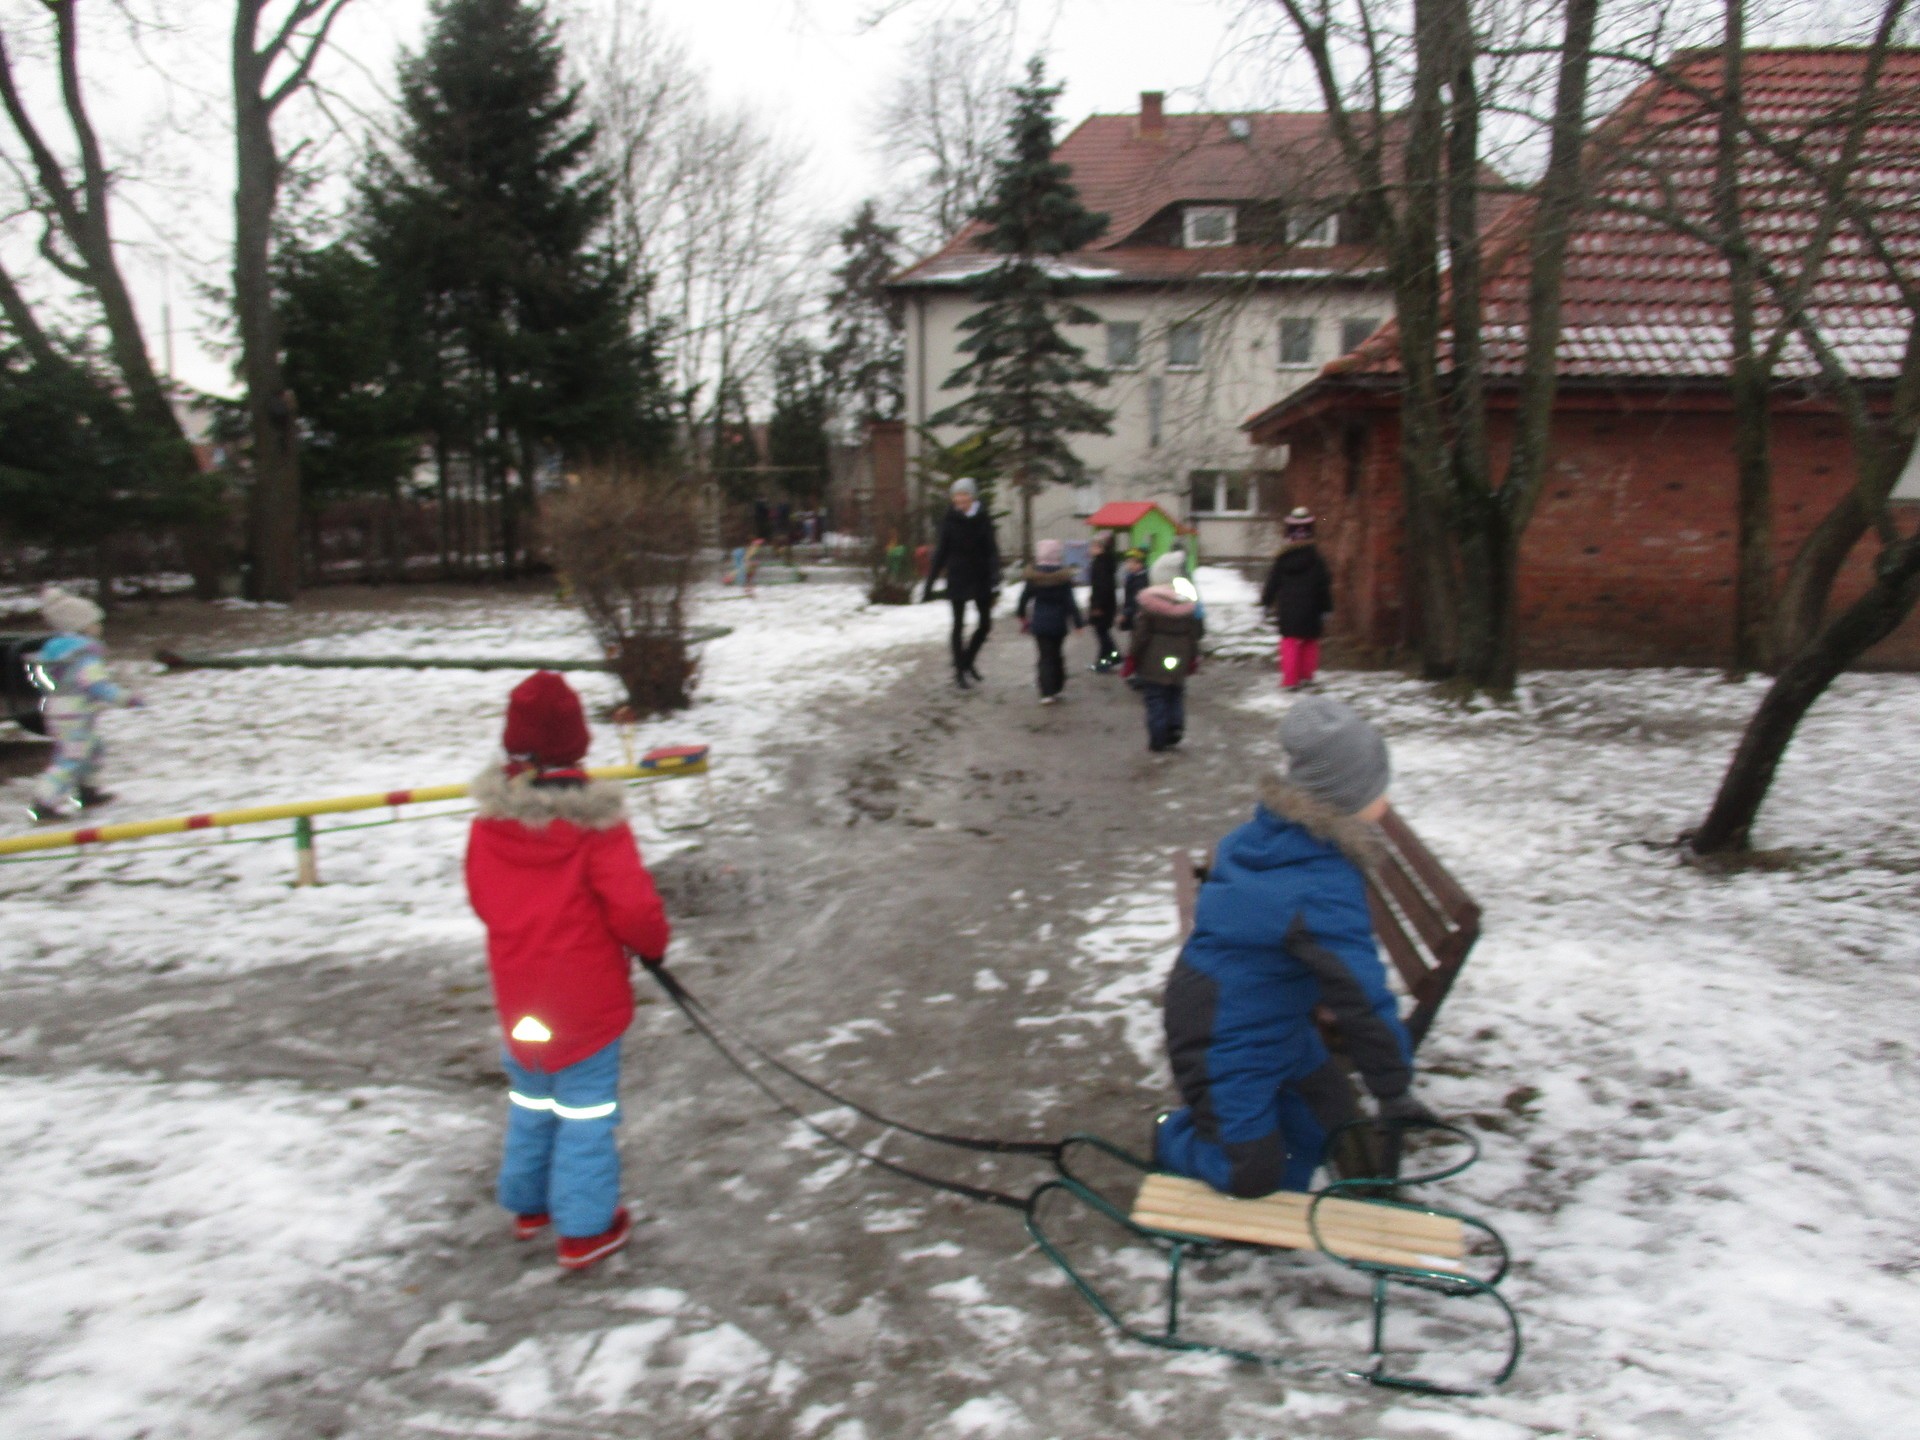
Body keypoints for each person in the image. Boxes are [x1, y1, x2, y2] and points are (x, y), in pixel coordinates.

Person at [1156, 696, 1437, 1197]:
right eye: (1376, 789)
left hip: (1271, 1019)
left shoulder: (1276, 838)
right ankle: (1172, 1140)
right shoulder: (1320, 886)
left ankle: (1274, 1202)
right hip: (1220, 1033)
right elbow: (1361, 995)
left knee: (1323, 1116)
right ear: (1341, 798)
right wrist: (1393, 1088)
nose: (1385, 800)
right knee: (1247, 1173)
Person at [465, 671, 672, 1271]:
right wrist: (652, 946)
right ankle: (585, 1229)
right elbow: (633, 907)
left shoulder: (490, 826)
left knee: (531, 1098)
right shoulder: (595, 828)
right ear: (577, 741)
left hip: (520, 1001)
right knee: (585, 1111)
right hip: (585, 1005)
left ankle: (528, 1204)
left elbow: (483, 898)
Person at [26, 587, 141, 824]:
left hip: (59, 708)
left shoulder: (56, 651)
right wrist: (126, 698)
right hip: (75, 712)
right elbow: (96, 685)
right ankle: (43, 803)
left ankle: (88, 791)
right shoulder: (84, 654)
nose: (99, 627)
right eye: (95, 622)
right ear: (81, 626)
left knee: (92, 748)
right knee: (71, 757)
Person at [923, 477, 1001, 688]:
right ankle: (959, 671)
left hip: (981, 576)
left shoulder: (983, 518)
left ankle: (967, 661)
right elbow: (941, 552)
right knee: (958, 625)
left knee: (985, 625)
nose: (960, 499)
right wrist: (930, 582)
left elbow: (992, 550)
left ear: (972, 496)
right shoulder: (949, 520)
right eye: (957, 495)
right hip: (958, 576)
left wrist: (995, 576)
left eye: (964, 494)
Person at [1124, 552, 1204, 752]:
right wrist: (1193, 657)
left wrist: (1132, 657)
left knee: (1156, 696)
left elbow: (1140, 635)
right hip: (1180, 657)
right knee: (1175, 693)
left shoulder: (1149, 603)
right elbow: (1194, 634)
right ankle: (1174, 727)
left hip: (1153, 658)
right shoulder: (1187, 602)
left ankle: (1158, 737)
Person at [1261, 507, 1334, 689]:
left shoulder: (1282, 559)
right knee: (1309, 641)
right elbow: (1323, 585)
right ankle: (1306, 676)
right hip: (1312, 607)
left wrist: (1266, 603)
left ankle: (1290, 680)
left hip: (1288, 607)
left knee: (1290, 642)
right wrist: (1326, 607)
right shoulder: (1316, 559)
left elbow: (1273, 582)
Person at [1016, 538, 1085, 704]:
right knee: (1057, 654)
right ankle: (1057, 686)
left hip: (1039, 623)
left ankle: (1046, 692)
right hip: (1058, 623)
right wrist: (1078, 623)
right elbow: (1070, 602)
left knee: (1044, 657)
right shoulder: (1063, 577)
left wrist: (1021, 614)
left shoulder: (1034, 576)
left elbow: (1024, 598)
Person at [1085, 532, 1121, 672]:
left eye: (1093, 545)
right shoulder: (1105, 561)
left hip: (1102, 605)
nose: (1090, 548)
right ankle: (1103, 662)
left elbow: (1102, 586)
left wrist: (1097, 605)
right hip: (1107, 603)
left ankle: (1114, 657)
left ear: (1100, 547)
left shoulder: (1100, 563)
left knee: (1102, 633)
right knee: (1102, 632)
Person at [1118, 548, 1149, 635]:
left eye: (1131, 562)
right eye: (1127, 562)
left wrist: (1126, 613)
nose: (1128, 565)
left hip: (1138, 616)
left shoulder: (1141, 580)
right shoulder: (1132, 577)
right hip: (1133, 615)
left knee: (1138, 637)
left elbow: (1136, 599)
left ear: (1139, 563)